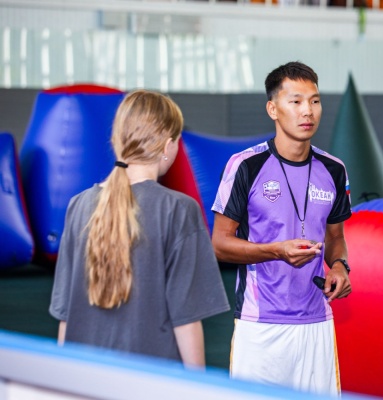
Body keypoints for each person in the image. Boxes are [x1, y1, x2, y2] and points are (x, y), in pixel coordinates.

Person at [49, 89, 230, 367]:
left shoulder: (79, 205)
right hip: (150, 380)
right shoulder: (179, 209)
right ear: (168, 146)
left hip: (84, 377)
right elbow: (187, 320)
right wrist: (197, 383)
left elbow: (66, 316)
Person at [211, 61, 352, 395]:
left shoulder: (334, 170)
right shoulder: (245, 165)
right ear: (273, 109)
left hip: (317, 322)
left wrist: (339, 266)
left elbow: (336, 237)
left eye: (315, 101)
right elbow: (219, 244)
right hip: (260, 326)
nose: (308, 111)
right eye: (296, 101)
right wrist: (275, 251)